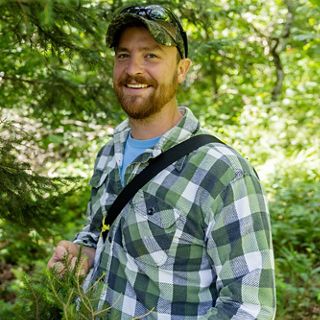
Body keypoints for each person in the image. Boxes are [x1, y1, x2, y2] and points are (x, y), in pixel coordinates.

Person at [48, 4, 276, 319]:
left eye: (151, 55)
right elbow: (98, 234)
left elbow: (249, 308)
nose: (133, 69)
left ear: (182, 69)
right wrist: (82, 254)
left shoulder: (222, 172)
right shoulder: (109, 153)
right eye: (123, 55)